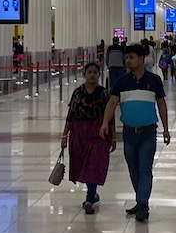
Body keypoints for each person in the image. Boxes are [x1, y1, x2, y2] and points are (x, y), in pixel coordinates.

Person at [99, 44, 170, 223]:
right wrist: (105, 123)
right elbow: (112, 103)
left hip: (148, 132)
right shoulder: (121, 82)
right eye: (127, 57)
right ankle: (140, 201)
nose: (127, 60)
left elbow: (161, 104)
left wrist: (166, 129)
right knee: (133, 170)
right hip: (129, 133)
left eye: (131, 57)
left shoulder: (154, 80)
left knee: (144, 169)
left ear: (141, 59)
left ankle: (143, 205)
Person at [63, 62, 112, 214]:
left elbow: (110, 117)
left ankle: (89, 198)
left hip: (98, 132)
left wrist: (114, 137)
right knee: (81, 163)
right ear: (84, 74)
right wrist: (65, 135)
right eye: (89, 72)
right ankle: (93, 192)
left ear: (99, 74)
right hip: (78, 132)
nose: (92, 75)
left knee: (94, 164)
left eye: (95, 72)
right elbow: (70, 115)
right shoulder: (78, 93)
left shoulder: (104, 94)